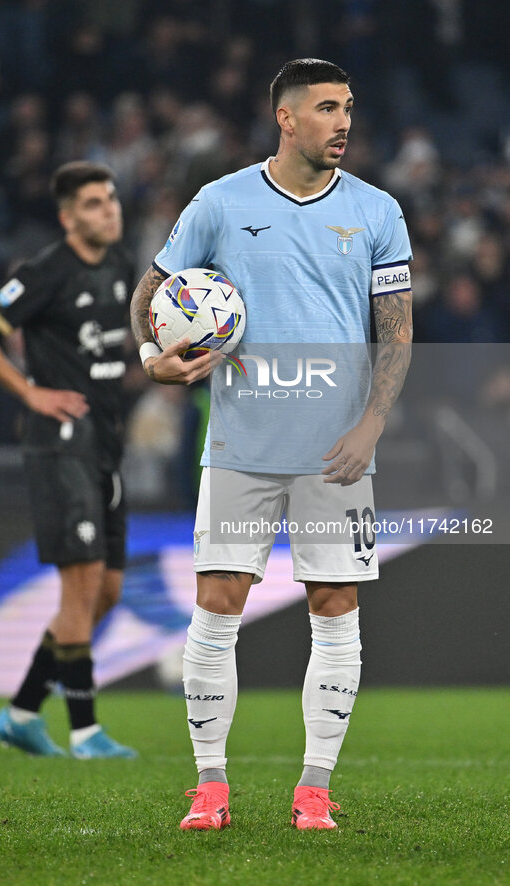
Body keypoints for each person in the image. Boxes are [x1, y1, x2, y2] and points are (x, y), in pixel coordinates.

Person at [130, 59, 413, 829]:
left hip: (337, 451)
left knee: (334, 603)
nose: (343, 122)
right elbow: (151, 293)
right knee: (217, 605)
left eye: (348, 107)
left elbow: (395, 335)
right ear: (284, 118)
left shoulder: (378, 210)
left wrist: (371, 423)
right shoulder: (218, 203)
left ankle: (314, 787)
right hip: (241, 442)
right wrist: (152, 359)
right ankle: (210, 787)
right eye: (326, 108)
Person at [0, 161, 137, 760]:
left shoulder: (120, 264)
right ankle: (85, 731)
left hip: (104, 445)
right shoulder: (46, 271)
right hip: (59, 444)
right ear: (66, 217)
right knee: (79, 587)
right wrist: (29, 390)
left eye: (109, 199)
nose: (107, 209)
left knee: (106, 591)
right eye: (91, 203)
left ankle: (22, 712)